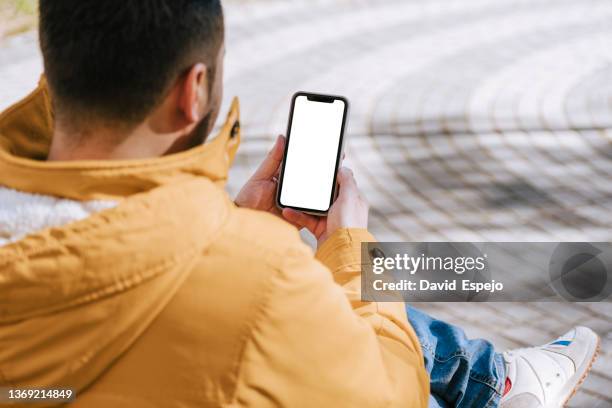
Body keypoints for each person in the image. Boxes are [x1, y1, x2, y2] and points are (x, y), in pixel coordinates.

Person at [0, 1, 598, 407]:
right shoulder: (259, 280)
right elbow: (389, 394)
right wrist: (348, 253)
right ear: (194, 90)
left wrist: (230, 234)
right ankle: (496, 385)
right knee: (333, 294)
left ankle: (493, 376)